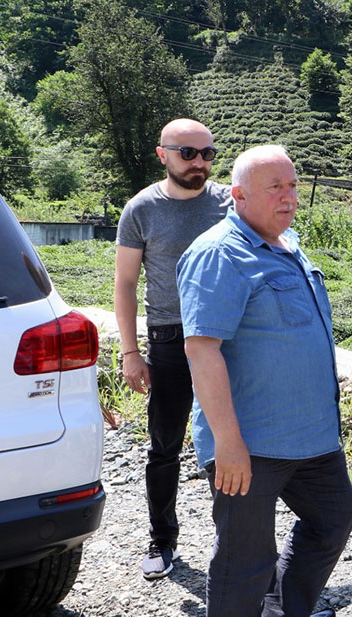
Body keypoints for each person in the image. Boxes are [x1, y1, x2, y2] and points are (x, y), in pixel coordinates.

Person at [177, 145, 352, 617]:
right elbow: (202, 350)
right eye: (274, 188)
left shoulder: (288, 242)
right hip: (250, 444)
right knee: (245, 559)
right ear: (238, 196)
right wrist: (228, 443)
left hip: (312, 436)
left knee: (333, 519)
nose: (289, 197)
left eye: (293, 185)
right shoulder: (218, 253)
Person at [115, 118, 231, 580]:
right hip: (169, 338)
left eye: (207, 154)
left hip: (226, 337)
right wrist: (129, 352)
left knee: (232, 438)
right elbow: (125, 284)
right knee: (165, 446)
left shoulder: (229, 202)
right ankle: (161, 540)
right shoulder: (141, 208)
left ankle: (238, 543)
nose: (199, 162)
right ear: (162, 154)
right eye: (188, 153)